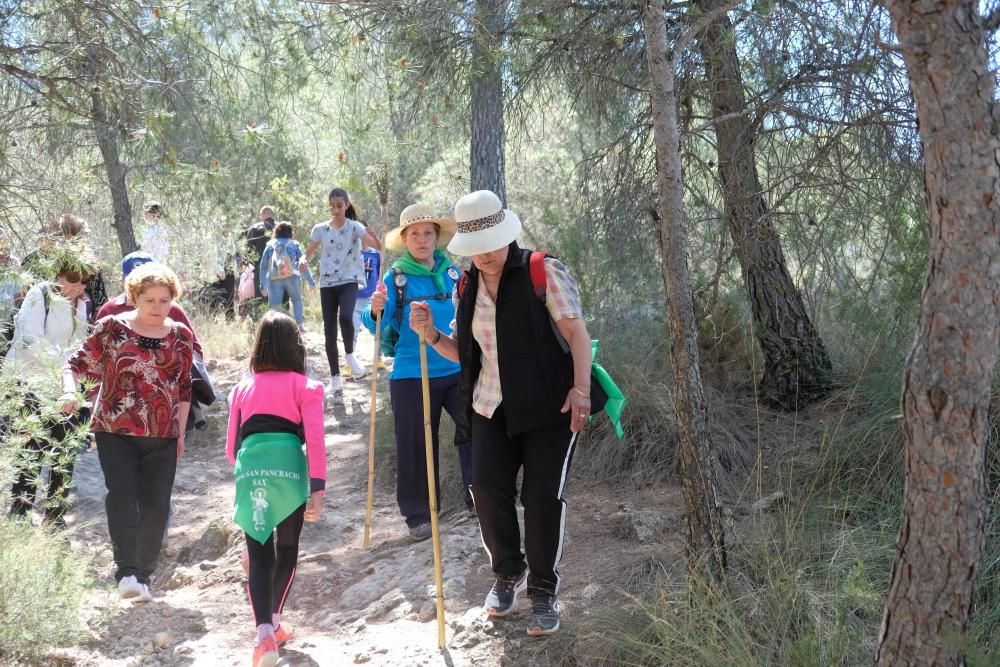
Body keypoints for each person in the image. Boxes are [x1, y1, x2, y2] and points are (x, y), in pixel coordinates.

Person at [409, 190, 593, 636]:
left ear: (507, 234)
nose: (487, 255)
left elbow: (577, 335)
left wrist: (582, 391)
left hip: (550, 406)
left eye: (492, 243)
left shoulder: (541, 271)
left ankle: (544, 593)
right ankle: (509, 572)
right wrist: (431, 334)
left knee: (541, 497)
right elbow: (466, 354)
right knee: (486, 488)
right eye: (477, 248)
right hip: (490, 406)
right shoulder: (465, 284)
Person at [62, 262, 194, 603]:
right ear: (134, 297)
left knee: (157, 506)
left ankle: (144, 576)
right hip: (115, 430)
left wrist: (179, 433)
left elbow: (183, 390)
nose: (158, 308)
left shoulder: (180, 336)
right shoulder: (110, 328)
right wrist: (68, 392)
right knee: (121, 497)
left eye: (165, 300)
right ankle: (126, 573)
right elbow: (74, 364)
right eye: (150, 300)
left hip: (163, 435)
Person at [362, 204, 474, 541]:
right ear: (405, 239)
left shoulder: (453, 273)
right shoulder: (394, 278)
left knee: (475, 433)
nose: (422, 239)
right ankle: (419, 516)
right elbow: (374, 324)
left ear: (437, 238)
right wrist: (373, 308)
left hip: (456, 367)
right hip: (412, 374)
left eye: (428, 233)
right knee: (415, 445)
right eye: (415, 234)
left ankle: (480, 499)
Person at [226, 311, 326, 667]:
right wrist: (317, 487)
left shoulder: (242, 387)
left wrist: (247, 472)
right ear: (296, 348)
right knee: (287, 548)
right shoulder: (307, 387)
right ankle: (277, 619)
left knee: (258, 551)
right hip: (289, 470)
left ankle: (264, 635)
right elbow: (314, 440)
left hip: (252, 469)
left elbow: (230, 448)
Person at [5, 253, 95, 523]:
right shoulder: (38, 295)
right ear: (58, 275)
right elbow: (30, 342)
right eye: (73, 279)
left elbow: (81, 344)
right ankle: (19, 517)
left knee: (64, 455)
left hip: (67, 388)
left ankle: (55, 519)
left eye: (85, 281)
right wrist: (66, 365)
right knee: (30, 453)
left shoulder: (83, 303)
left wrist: (74, 372)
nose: (79, 286)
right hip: (32, 386)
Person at [302, 188, 373, 394]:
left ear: (347, 205)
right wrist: (303, 259)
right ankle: (335, 378)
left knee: (346, 317)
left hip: (349, 280)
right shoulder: (321, 229)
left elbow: (374, 246)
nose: (335, 210)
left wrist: (375, 238)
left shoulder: (355, 227)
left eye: (339, 206)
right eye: (332, 206)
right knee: (329, 331)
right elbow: (310, 251)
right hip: (327, 283)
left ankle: (350, 354)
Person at [21, 214, 107, 321]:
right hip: (39, 320)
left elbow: (100, 303)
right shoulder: (31, 260)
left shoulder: (89, 263)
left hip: (80, 322)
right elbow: (24, 296)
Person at [259, 222, 307, 329]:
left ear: (276, 232)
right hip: (293, 277)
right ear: (290, 232)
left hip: (274, 278)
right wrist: (310, 281)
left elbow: (263, 266)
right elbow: (303, 263)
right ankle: (299, 326)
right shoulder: (294, 244)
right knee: (296, 300)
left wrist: (263, 285)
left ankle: (274, 328)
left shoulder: (270, 245)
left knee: (275, 306)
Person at [246, 206, 277, 303]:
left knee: (260, 298)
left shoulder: (255, 228)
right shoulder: (282, 227)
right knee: (279, 297)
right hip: (280, 267)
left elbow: (249, 249)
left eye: (260, 215)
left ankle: (261, 316)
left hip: (260, 268)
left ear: (264, 214)